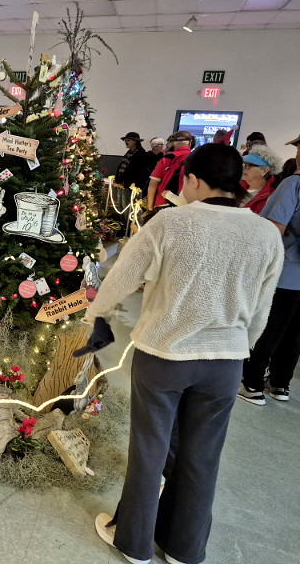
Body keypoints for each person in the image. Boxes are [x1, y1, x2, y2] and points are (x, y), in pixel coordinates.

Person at [83, 143, 283, 564]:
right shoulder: (266, 233)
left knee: (150, 450)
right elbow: (262, 309)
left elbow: (120, 277)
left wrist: (97, 315)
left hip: (164, 354)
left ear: (191, 179)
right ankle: (184, 549)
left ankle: (133, 542)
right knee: (202, 456)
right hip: (225, 362)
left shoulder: (170, 222)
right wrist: (241, 346)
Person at [239, 132, 300, 405]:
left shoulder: (293, 184)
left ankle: (252, 384)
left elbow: (273, 230)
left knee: (268, 327)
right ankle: (280, 384)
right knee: (294, 335)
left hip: (284, 273)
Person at [147, 130, 193, 210]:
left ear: (174, 143)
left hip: (163, 202)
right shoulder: (196, 159)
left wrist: (150, 206)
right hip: (185, 205)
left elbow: (153, 184)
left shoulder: (167, 159)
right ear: (190, 143)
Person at [240, 144, 281, 214]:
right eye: (244, 164)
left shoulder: (272, 196)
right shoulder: (238, 187)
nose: (243, 168)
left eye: (249, 165)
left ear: (264, 171)